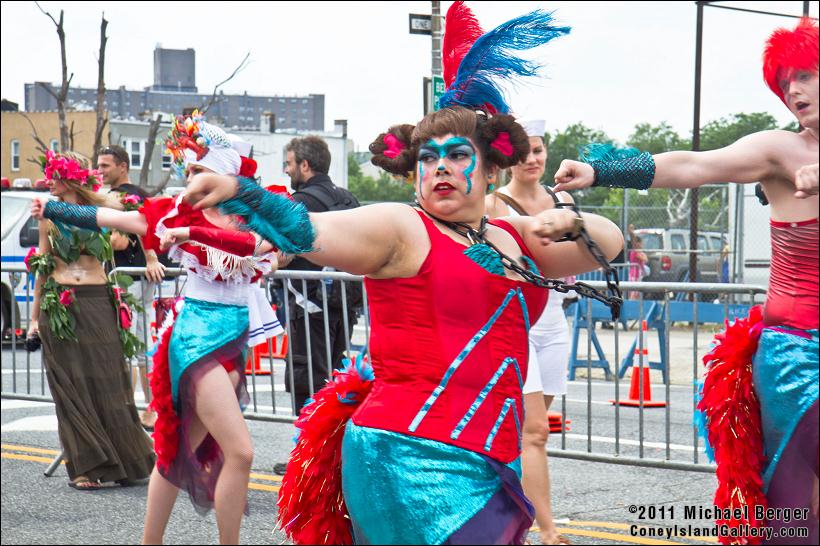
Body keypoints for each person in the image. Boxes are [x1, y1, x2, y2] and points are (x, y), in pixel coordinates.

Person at [180, 8, 623, 544]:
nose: (439, 167)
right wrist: (242, 193)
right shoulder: (401, 227)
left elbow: (606, 245)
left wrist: (568, 218)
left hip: (490, 462)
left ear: (489, 168)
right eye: (427, 158)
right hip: (407, 459)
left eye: (458, 155)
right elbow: (308, 228)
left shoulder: (512, 237)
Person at [553, 17, 818, 544]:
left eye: (808, 74)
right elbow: (693, 165)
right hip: (796, 358)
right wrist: (603, 170)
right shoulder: (780, 151)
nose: (794, 89)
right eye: (785, 79)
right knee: (794, 507)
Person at [32, 117, 282, 544]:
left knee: (174, 455)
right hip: (196, 336)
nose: (191, 179)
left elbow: (267, 245)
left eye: (200, 170)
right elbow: (117, 218)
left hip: (232, 339)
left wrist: (275, 258)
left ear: (228, 174)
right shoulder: (177, 212)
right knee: (240, 450)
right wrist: (56, 207)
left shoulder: (256, 214)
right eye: (188, 171)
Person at [26, 150, 156, 491]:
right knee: (71, 385)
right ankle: (84, 466)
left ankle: (127, 462)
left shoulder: (105, 208)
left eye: (54, 175)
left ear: (69, 178)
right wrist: (33, 318)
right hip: (62, 303)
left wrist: (150, 254)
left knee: (110, 381)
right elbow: (42, 266)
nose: (48, 182)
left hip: (99, 301)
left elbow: (141, 226)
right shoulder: (49, 217)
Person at [484, 119, 574, 546]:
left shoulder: (563, 199)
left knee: (523, 430)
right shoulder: (493, 205)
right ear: (508, 159)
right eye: (523, 153)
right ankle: (548, 529)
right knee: (535, 429)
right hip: (514, 322)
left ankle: (500, 500)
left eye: (538, 150)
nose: (532, 160)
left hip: (556, 322)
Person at [280, 135, 362, 413]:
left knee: (309, 380)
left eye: (289, 163)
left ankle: (307, 453)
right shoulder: (348, 198)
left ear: (305, 165)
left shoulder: (299, 204)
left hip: (309, 306)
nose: (286, 170)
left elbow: (280, 253)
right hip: (345, 303)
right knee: (337, 380)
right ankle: (332, 452)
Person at [97, 144, 164, 430]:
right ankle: (150, 410)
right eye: (99, 166)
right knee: (140, 346)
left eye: (105, 166)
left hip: (130, 278)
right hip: (135, 277)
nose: (100, 171)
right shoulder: (136, 194)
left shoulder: (127, 197)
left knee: (131, 346)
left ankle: (131, 410)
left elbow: (119, 242)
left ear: (122, 166)